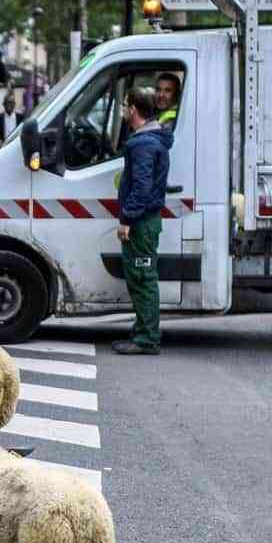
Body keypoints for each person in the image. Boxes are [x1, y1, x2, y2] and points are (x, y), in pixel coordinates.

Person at [110, 89, 173, 356]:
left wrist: (127, 218)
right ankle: (142, 331)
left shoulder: (142, 144)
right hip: (147, 221)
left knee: (142, 278)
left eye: (125, 105)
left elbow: (141, 187)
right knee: (141, 277)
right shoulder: (152, 139)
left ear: (133, 109)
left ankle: (147, 338)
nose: (124, 110)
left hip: (141, 223)